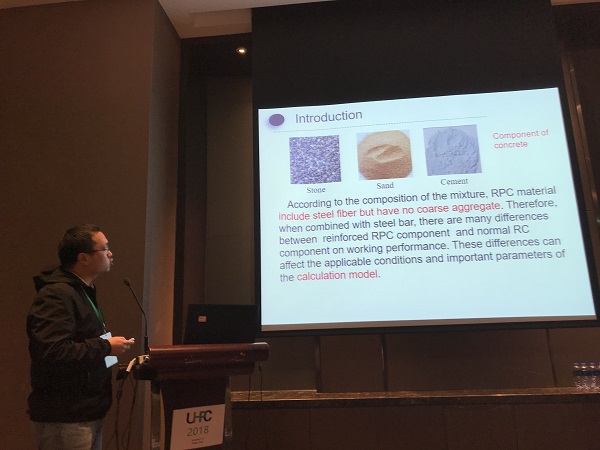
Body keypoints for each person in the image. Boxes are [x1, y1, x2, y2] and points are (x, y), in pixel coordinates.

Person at [27, 224, 135, 450]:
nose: (110, 253)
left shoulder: (82, 291)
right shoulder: (56, 295)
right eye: (104, 249)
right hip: (66, 415)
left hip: (88, 410)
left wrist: (110, 352)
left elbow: (85, 341)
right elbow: (52, 352)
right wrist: (106, 347)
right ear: (83, 258)